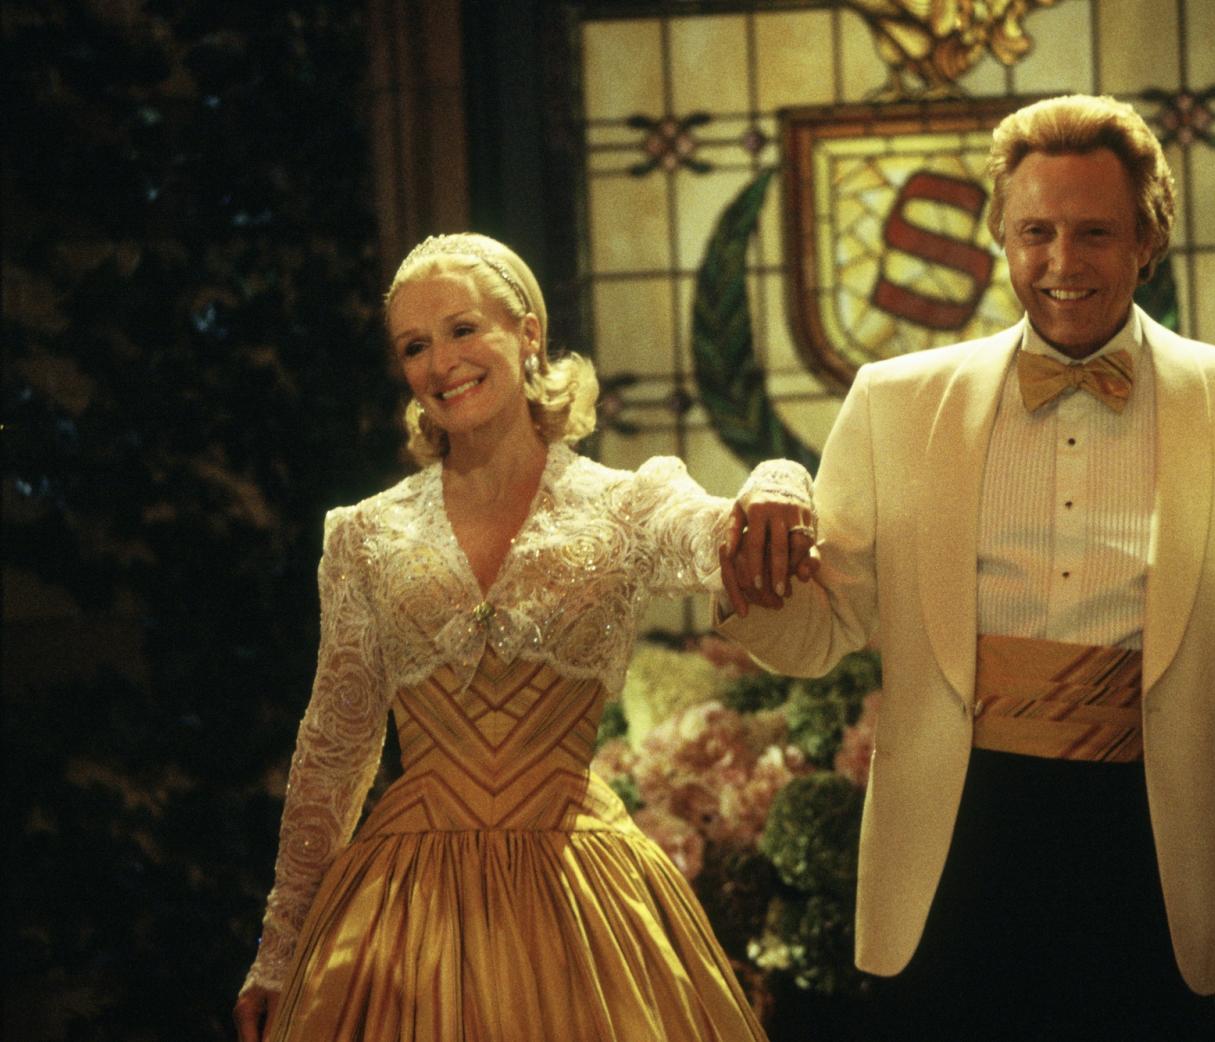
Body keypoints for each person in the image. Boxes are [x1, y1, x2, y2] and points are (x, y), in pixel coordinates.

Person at [720, 95, 1215, 1041]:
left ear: (1147, 240)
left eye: (1095, 232)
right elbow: (818, 632)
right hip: (953, 851)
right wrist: (751, 534)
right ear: (1000, 236)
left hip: (1161, 858)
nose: (1061, 262)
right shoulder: (892, 403)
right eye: (1036, 232)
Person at [233, 232, 815, 1042]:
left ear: (528, 333)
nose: (441, 363)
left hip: (578, 902)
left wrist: (781, 480)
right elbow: (335, 750)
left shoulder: (628, 506)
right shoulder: (364, 536)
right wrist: (278, 951)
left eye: (463, 329)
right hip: (404, 921)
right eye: (414, 346)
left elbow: (726, 532)